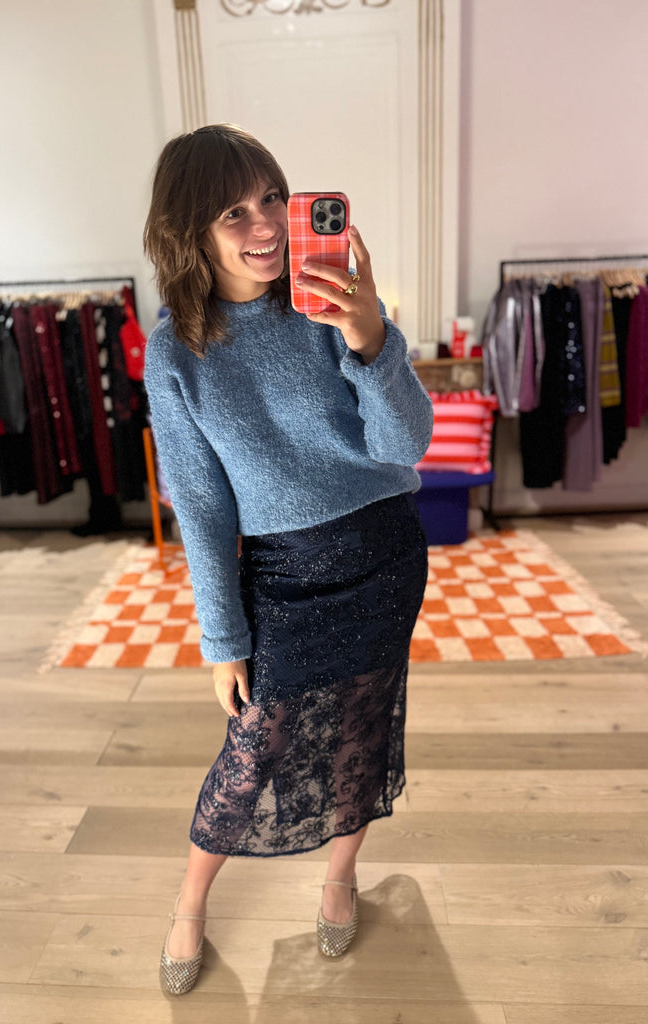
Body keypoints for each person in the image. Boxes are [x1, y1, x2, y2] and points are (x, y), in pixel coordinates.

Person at [143, 124, 433, 996]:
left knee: (363, 730)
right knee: (253, 748)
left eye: (273, 197)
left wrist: (370, 336)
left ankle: (340, 878)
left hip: (384, 556)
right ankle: (191, 901)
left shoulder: (330, 303)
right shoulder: (176, 350)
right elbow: (201, 505)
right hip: (285, 573)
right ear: (190, 230)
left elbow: (405, 446)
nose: (266, 223)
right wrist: (222, 638)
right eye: (234, 212)